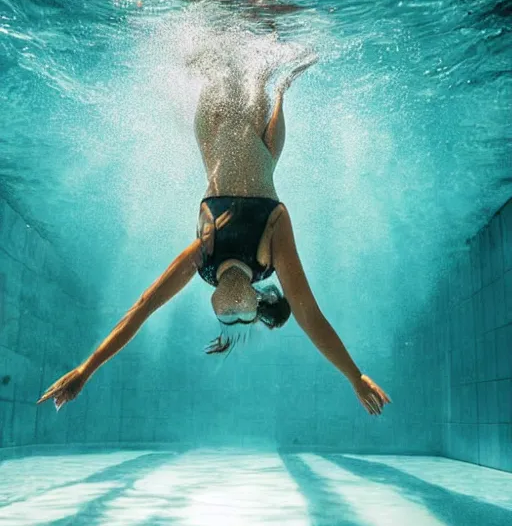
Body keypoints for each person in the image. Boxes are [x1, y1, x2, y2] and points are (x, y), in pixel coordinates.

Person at [38, 53, 391, 416]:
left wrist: (86, 369)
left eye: (227, 318)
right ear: (256, 300)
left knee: (217, 68)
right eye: (245, 317)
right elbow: (308, 315)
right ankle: (277, 76)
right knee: (257, 73)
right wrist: (355, 375)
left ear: (213, 306)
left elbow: (143, 307)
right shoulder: (269, 250)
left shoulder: (204, 259)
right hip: (260, 139)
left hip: (213, 136)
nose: (235, 314)